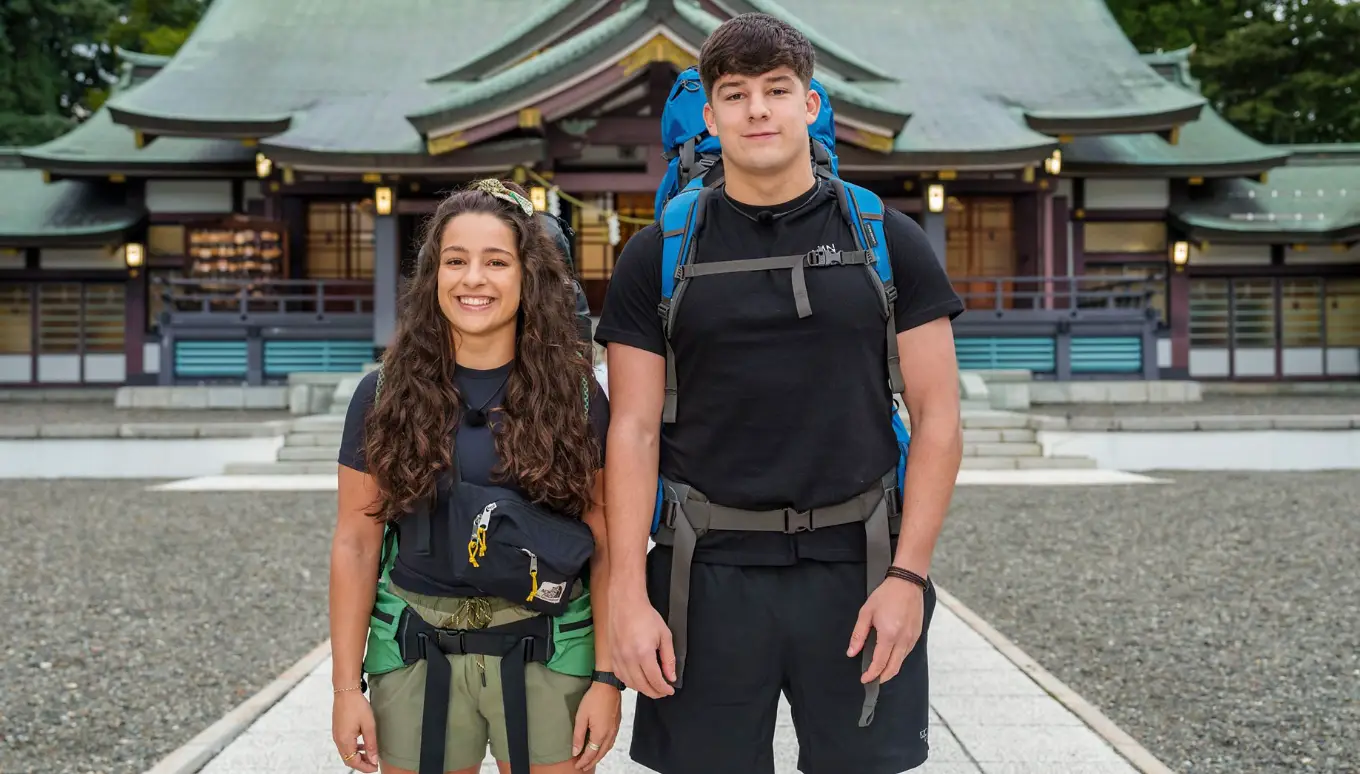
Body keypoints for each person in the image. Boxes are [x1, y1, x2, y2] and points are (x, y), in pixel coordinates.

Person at [595, 13, 965, 774]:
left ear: (810, 103)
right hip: (704, 571)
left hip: (860, 564)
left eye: (775, 89)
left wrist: (910, 575)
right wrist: (626, 594)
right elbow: (630, 429)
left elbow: (938, 416)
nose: (756, 109)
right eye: (735, 93)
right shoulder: (656, 252)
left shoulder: (886, 238)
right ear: (711, 114)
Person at [328, 179, 622, 774]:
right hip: (414, 646)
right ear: (433, 273)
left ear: (526, 276)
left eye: (496, 262)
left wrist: (607, 677)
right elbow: (355, 544)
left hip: (549, 644)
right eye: (455, 261)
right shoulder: (382, 394)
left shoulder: (576, 396)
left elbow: (605, 539)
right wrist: (344, 689)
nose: (473, 280)